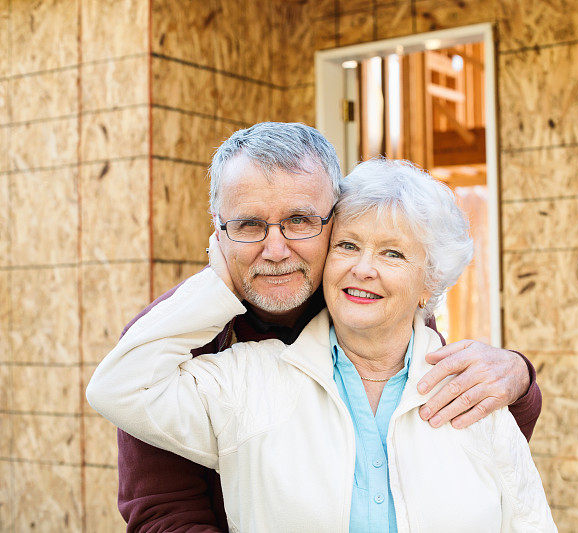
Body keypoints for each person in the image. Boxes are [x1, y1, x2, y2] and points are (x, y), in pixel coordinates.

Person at [113, 122, 543, 531]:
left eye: (300, 220)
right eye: (249, 225)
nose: (276, 249)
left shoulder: (363, 301)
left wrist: (519, 378)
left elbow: (460, 442)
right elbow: (162, 513)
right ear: (218, 229)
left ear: (331, 219)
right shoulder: (169, 345)